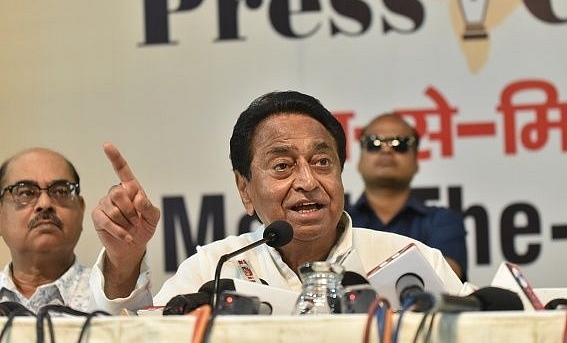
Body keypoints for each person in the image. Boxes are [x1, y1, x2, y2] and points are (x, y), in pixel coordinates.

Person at [90, 91, 464, 314]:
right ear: (245, 189)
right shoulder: (214, 270)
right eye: (283, 166)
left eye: (322, 163)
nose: (307, 182)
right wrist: (124, 262)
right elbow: (134, 333)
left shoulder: (410, 261)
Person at [347, 112, 468, 280]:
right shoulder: (337, 222)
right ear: (360, 161)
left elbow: (447, 281)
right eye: (374, 143)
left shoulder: (443, 221)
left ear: (416, 162)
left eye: (400, 144)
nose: (387, 150)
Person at [0, 148, 93, 313]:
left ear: (81, 210)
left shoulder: (115, 299)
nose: (45, 203)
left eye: (61, 191)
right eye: (26, 192)